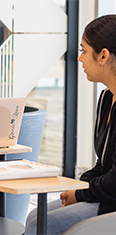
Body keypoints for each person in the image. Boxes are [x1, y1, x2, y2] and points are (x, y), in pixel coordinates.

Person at [25, 14, 116, 235]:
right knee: (34, 216)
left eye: (83, 50)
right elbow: (102, 165)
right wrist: (77, 187)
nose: (80, 58)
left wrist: (81, 193)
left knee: (44, 224)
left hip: (112, 202)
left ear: (103, 56)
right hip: (106, 195)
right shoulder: (106, 98)